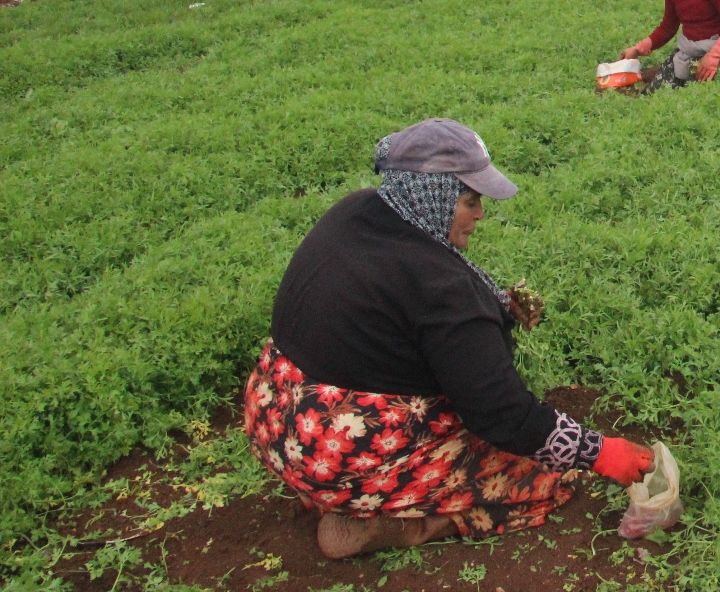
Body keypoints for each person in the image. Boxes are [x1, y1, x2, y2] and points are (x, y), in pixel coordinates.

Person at [246, 118, 658, 559]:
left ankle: (332, 489)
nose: (479, 213)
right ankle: (391, 522)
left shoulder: (355, 210)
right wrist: (598, 452)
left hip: (274, 415)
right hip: (343, 452)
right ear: (433, 196)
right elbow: (501, 414)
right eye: (469, 200)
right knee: (542, 475)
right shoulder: (443, 289)